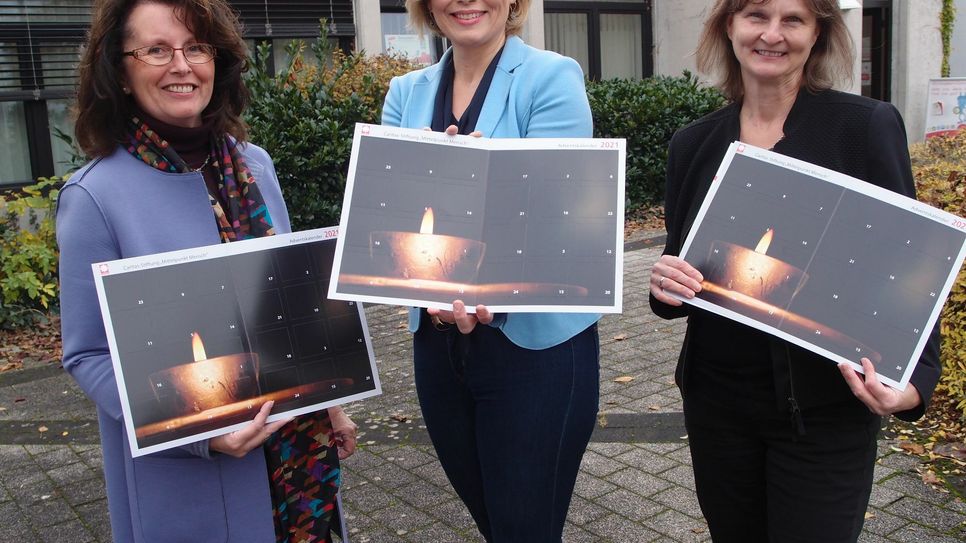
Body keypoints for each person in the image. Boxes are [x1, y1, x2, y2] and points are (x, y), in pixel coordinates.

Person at [57, 1, 357, 541]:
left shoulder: (255, 165)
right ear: (119, 72)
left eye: (196, 47)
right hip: (192, 478)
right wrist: (203, 435)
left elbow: (293, 305)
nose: (181, 65)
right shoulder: (94, 197)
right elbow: (87, 355)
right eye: (155, 50)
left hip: (298, 453)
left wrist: (328, 403)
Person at [648, 1, 942, 541]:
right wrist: (666, 287)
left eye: (793, 20)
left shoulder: (863, 128)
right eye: (756, 15)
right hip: (718, 409)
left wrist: (915, 383)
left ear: (818, 33)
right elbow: (681, 263)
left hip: (825, 412)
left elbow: (913, 263)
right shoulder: (693, 143)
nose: (772, 34)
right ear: (729, 26)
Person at [381, 0, 600, 540]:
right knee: (494, 522)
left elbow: (561, 212)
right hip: (436, 345)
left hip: (534, 351)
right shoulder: (404, 94)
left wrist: (486, 182)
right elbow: (392, 211)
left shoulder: (551, 77)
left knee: (525, 528)